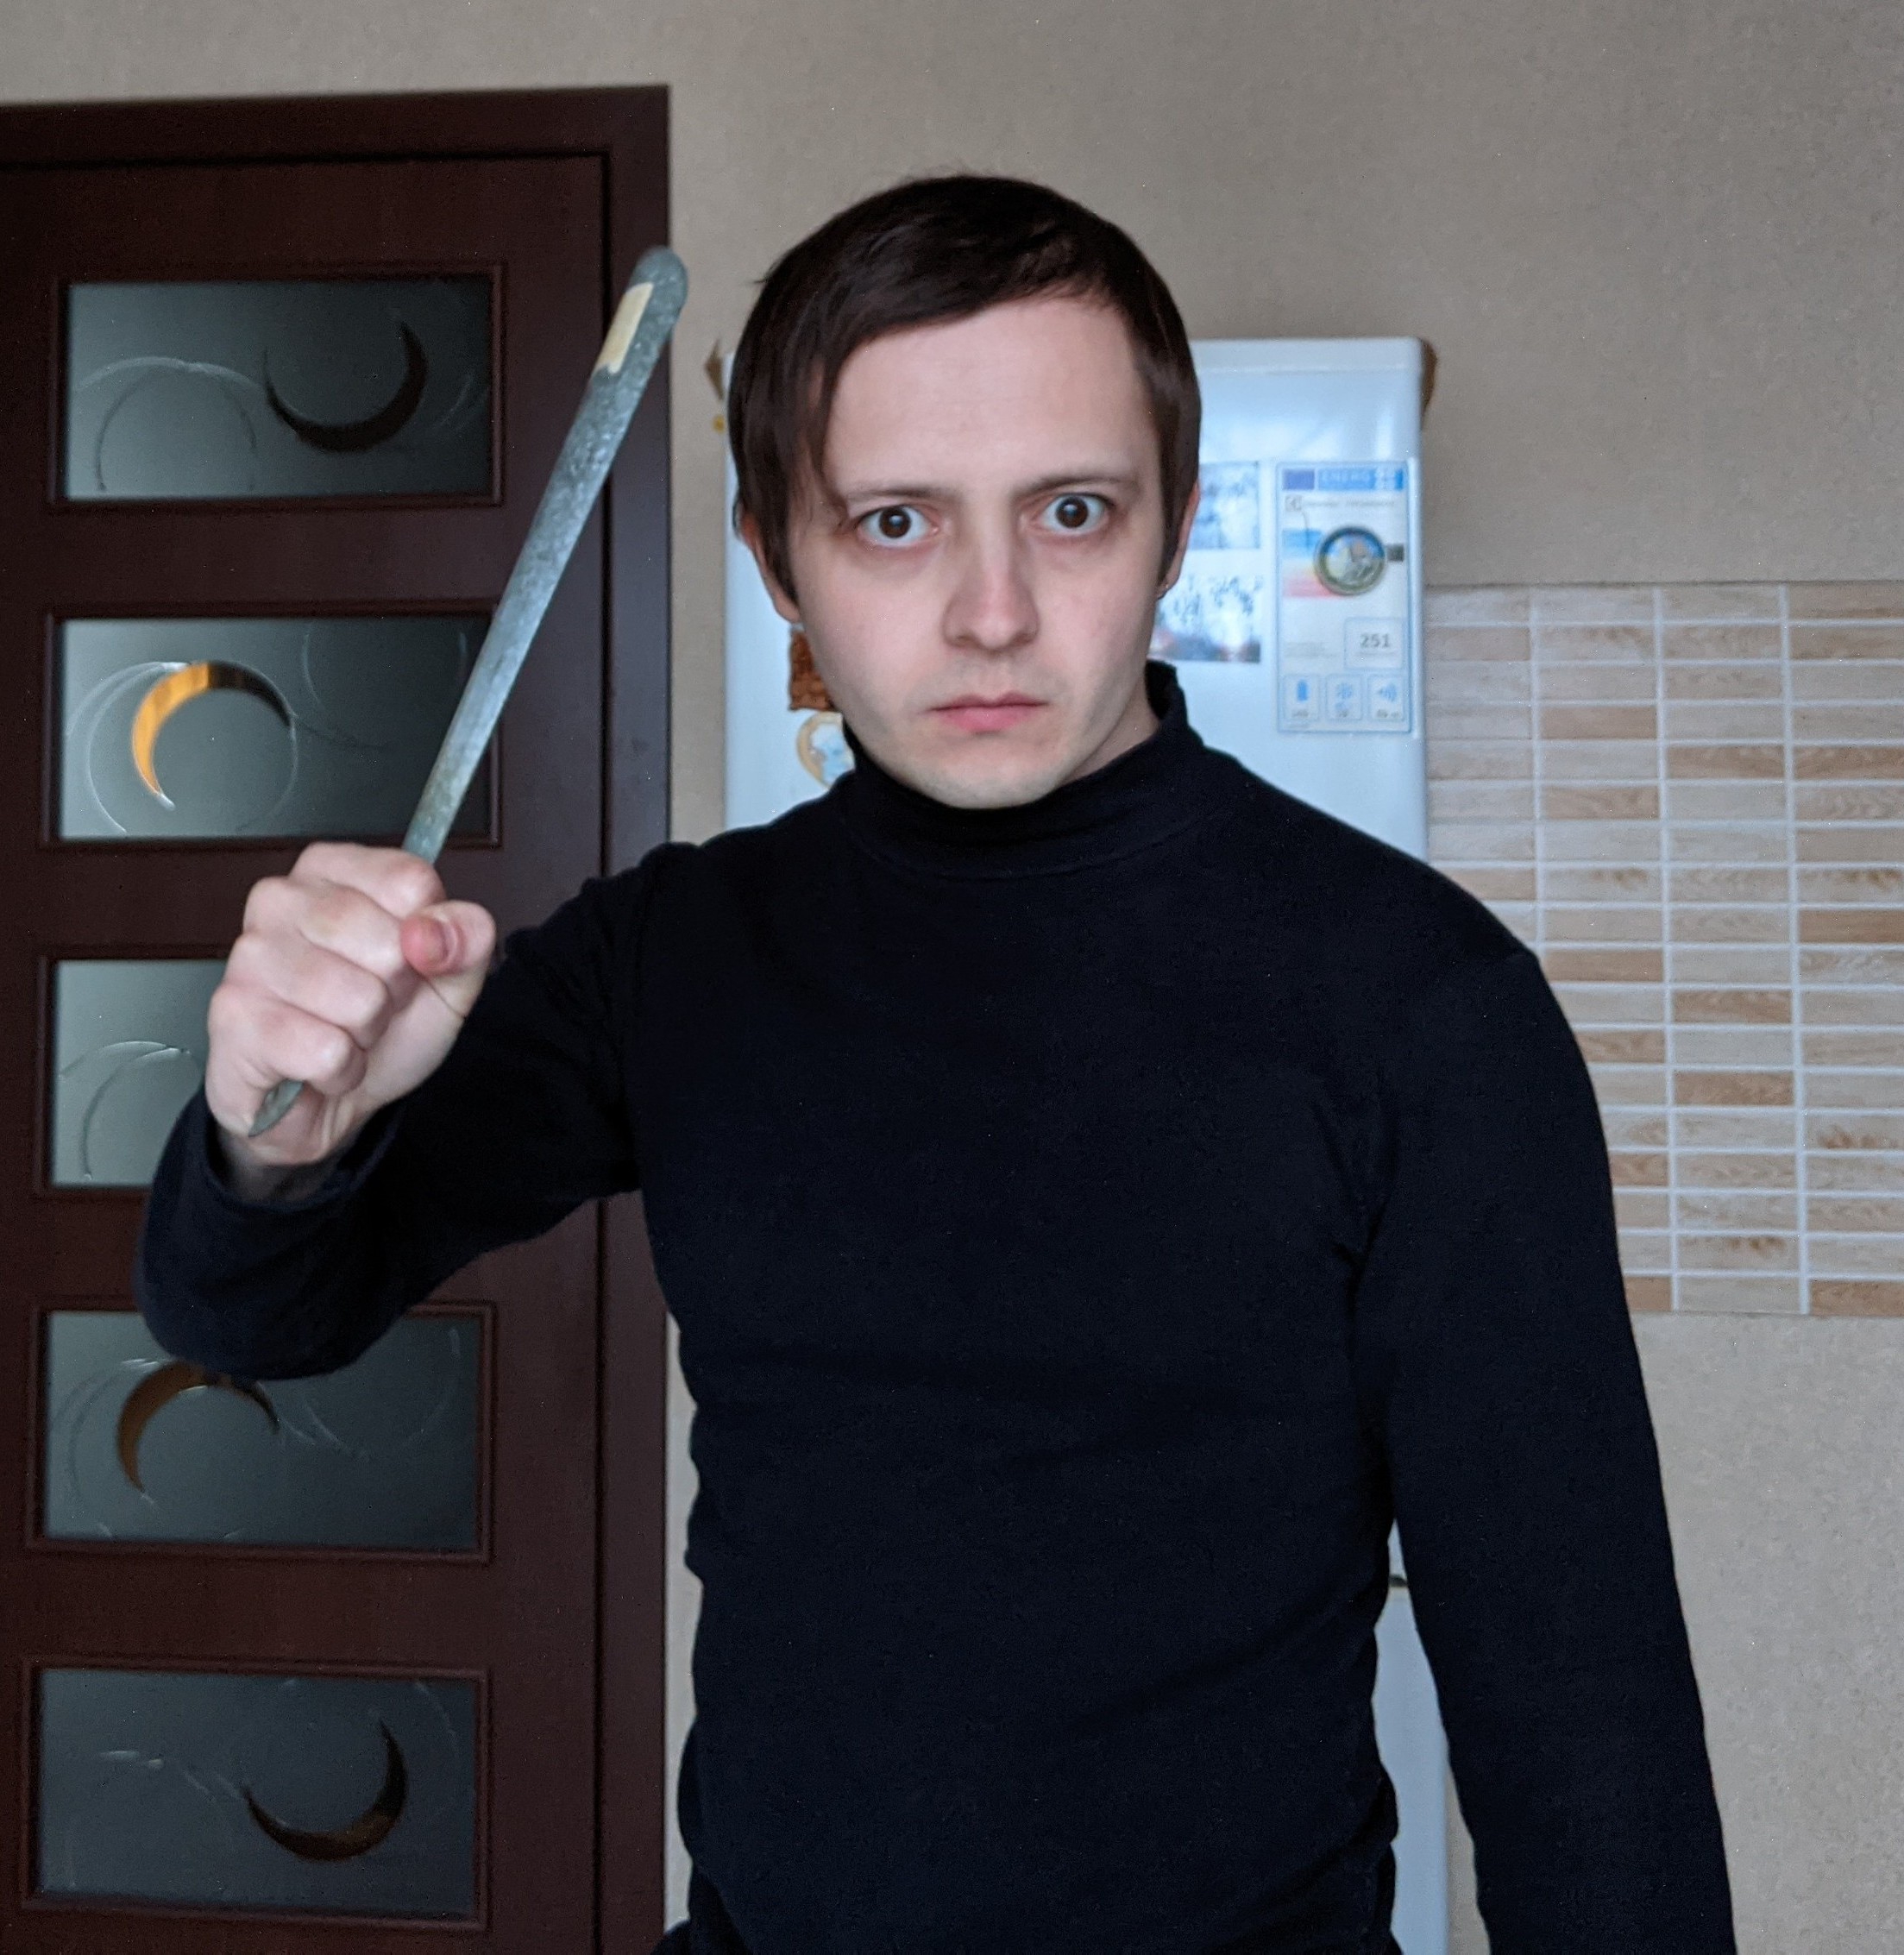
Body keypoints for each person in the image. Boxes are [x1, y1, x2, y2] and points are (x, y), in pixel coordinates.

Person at [136, 174, 1737, 1954]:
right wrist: (275, 1130)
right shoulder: (675, 954)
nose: (993, 611)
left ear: (1176, 526)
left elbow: (1583, 1716)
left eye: (1073, 510)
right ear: (777, 561)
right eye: (895, 522)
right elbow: (246, 1313)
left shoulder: (1423, 1005)